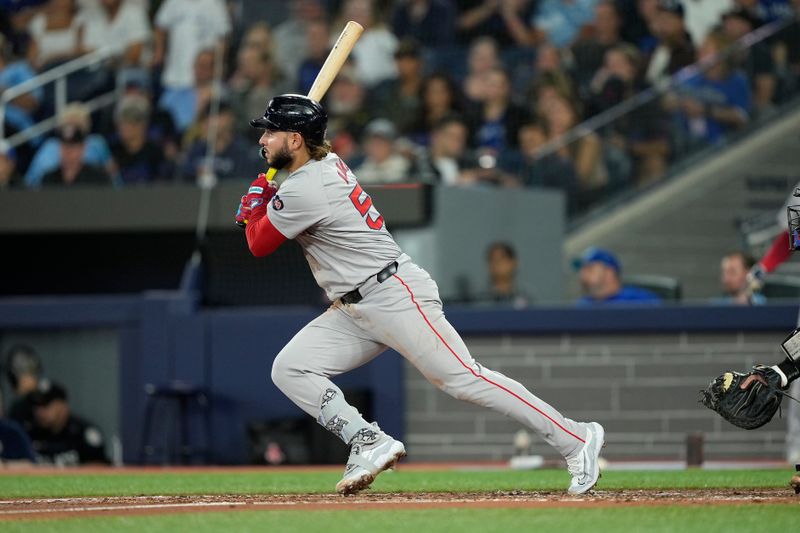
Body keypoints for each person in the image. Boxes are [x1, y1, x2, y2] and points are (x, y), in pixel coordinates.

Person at [235, 94, 604, 495]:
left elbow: (258, 243)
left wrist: (256, 207)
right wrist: (267, 200)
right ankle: (367, 439)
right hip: (353, 307)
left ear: (295, 140)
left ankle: (575, 438)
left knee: (463, 379)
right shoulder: (322, 164)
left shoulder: (308, 186)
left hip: (392, 293)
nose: (264, 139)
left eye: (272, 132)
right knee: (291, 367)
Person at [28, 380, 109, 465]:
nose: (40, 412)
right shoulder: (30, 432)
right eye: (37, 406)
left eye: (46, 405)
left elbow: (99, 467)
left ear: (63, 405)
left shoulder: (84, 433)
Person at [109, 93, 172, 184]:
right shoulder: (113, 150)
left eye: (130, 123)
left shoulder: (155, 152)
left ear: (142, 125)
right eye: (121, 123)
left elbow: (161, 184)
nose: (124, 128)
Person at [575, 247, 661, 305]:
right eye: (582, 270)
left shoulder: (640, 300)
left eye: (589, 268)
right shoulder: (583, 305)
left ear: (609, 272)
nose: (582, 274)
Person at [643, 0, 696, 87]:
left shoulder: (690, 53)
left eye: (669, 18)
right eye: (661, 18)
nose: (663, 24)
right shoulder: (652, 49)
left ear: (681, 23)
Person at [40, 124, 113, 186]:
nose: (68, 152)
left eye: (72, 147)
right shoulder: (48, 179)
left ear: (82, 148)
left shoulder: (99, 177)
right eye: (64, 146)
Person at [353, 119, 411, 184]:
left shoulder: (405, 166)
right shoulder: (360, 166)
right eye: (373, 142)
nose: (377, 146)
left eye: (381, 142)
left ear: (391, 144)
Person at [474, 241, 531, 307]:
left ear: (514, 262)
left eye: (501, 259)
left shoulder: (526, 296)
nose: (496, 264)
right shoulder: (479, 299)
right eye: (491, 260)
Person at [4, 344, 43, 435]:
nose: (34, 379)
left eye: (33, 374)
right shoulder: (17, 410)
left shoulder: (41, 402)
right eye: (28, 374)